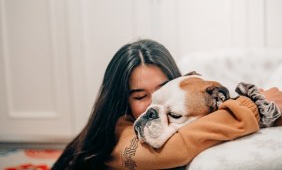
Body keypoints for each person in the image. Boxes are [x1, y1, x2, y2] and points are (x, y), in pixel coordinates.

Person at [52, 39, 282, 170]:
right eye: (141, 97)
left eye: (163, 92)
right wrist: (255, 106)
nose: (154, 104)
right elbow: (176, 149)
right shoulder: (115, 135)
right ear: (122, 99)